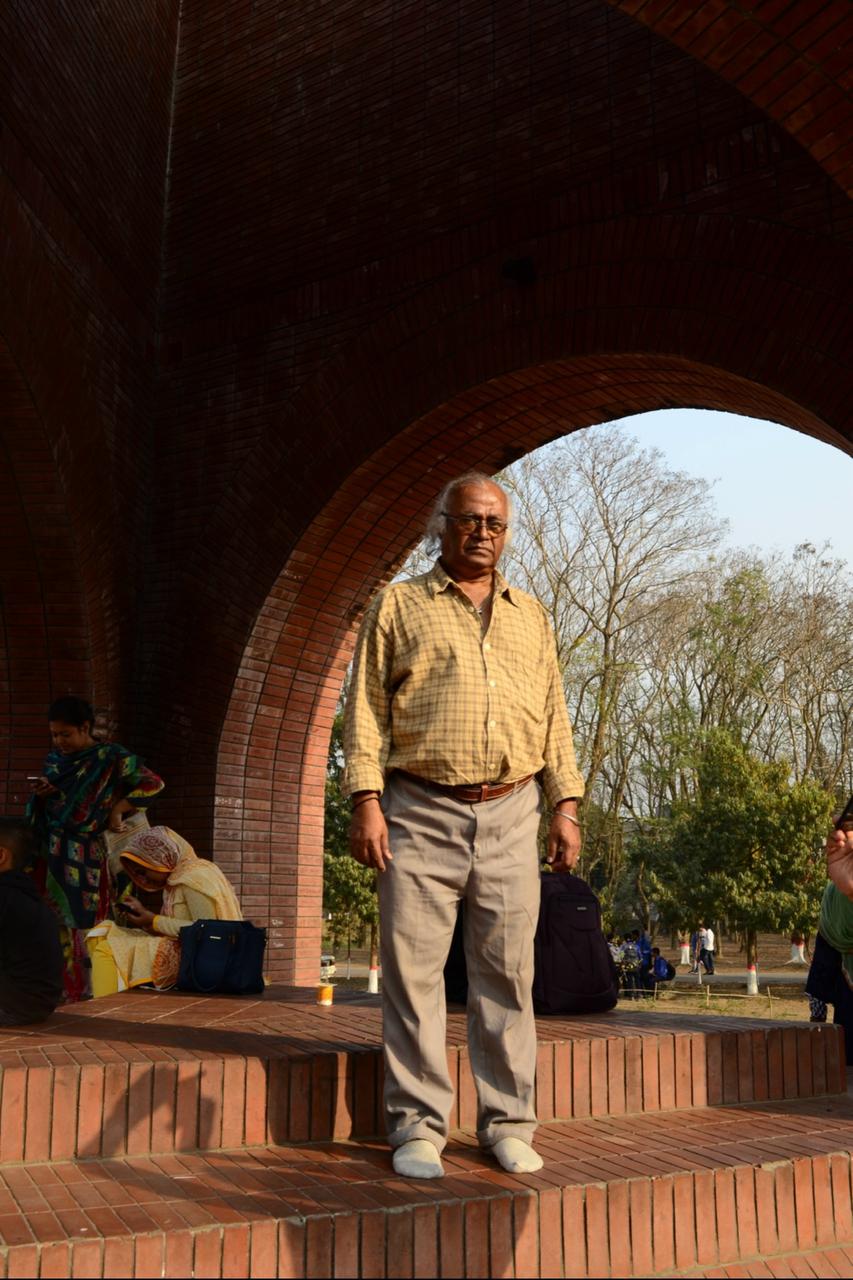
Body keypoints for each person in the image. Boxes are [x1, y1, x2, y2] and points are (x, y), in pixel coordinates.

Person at [344, 472, 584, 1180]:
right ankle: (417, 1126)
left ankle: (507, 1122)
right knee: (413, 974)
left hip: (512, 810)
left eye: (495, 523)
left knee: (507, 973)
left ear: (506, 533)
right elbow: (365, 710)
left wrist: (565, 805)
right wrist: (365, 799)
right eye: (469, 520)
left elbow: (555, 717)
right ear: (441, 526)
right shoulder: (398, 604)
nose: (482, 532)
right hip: (418, 809)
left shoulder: (531, 615)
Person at [26, 696, 164, 1001]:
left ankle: (97, 990)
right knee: (58, 922)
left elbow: (153, 784)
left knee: (92, 922)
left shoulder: (110, 757)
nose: (59, 741)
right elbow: (55, 806)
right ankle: (67, 992)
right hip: (55, 855)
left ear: (85, 727)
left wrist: (119, 808)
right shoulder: (55, 761)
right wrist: (45, 795)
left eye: (65, 734)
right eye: (54, 735)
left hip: (90, 856)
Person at [86, 825, 242, 995]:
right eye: (137, 874)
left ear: (161, 859)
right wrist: (146, 919)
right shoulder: (177, 876)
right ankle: (115, 1000)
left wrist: (154, 920)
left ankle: (104, 1008)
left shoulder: (194, 878)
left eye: (143, 871)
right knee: (101, 933)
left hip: (198, 959)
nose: (142, 879)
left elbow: (208, 931)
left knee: (106, 950)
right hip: (183, 948)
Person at [0, 818, 64, 1025]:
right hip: (36, 1004)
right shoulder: (25, 892)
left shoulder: (6, 896)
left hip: (12, 1006)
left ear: (1, 856)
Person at [805, 814, 853, 1063]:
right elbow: (823, 959)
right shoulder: (836, 890)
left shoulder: (832, 893)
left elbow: (821, 968)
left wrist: (817, 1013)